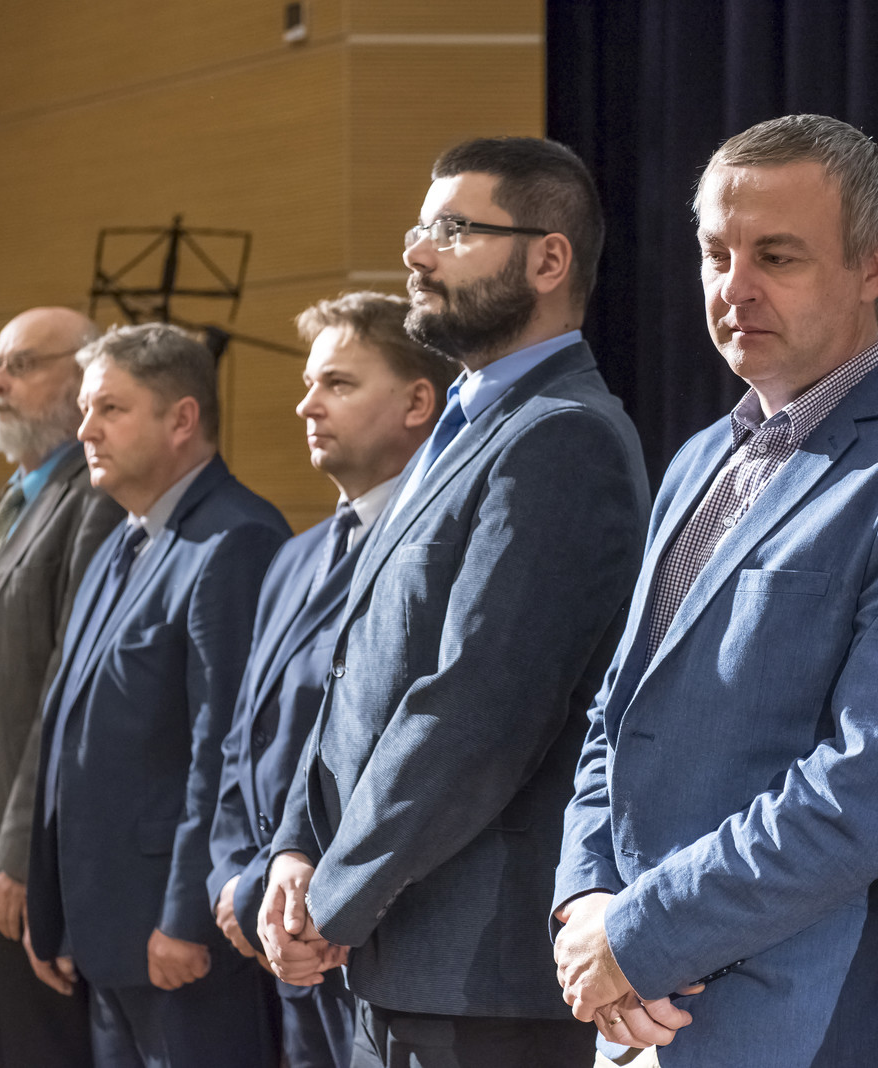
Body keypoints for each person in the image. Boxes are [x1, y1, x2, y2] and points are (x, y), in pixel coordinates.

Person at [551, 114, 878, 1067]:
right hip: (628, 1007)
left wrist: (639, 937)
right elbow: (619, 713)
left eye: (776, 256)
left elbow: (868, 792)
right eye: (715, 254)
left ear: (873, 264)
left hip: (804, 1023)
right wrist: (586, 902)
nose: (735, 287)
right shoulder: (697, 461)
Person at [259, 136, 651, 1068]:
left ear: (548, 259)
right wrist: (296, 848)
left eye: (451, 230)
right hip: (397, 957)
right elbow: (357, 671)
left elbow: (476, 709)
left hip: (479, 977)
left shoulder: (563, 438)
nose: (416, 253)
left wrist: (336, 895)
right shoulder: (466, 427)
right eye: (418, 229)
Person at [25, 323, 290, 1068]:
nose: (85, 429)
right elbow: (69, 727)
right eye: (85, 410)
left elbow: (225, 751)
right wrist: (54, 905)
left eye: (110, 409)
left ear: (182, 419)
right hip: (108, 930)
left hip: (176, 938)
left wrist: (186, 920)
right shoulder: (122, 538)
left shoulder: (235, 540)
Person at [206, 291, 455, 1068]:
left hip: (370, 936)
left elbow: (418, 749)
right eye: (309, 383)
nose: (307, 405)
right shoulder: (293, 557)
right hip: (283, 931)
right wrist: (237, 880)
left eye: (338, 384)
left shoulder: (439, 553)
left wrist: (321, 901)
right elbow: (243, 739)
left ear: (419, 402)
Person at [0, 306, 120, 1068]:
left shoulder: (92, 499)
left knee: (44, 1047)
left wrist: (20, 854)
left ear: (84, 377)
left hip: (30, 849)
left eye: (22, 365)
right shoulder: (17, 495)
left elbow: (66, 692)